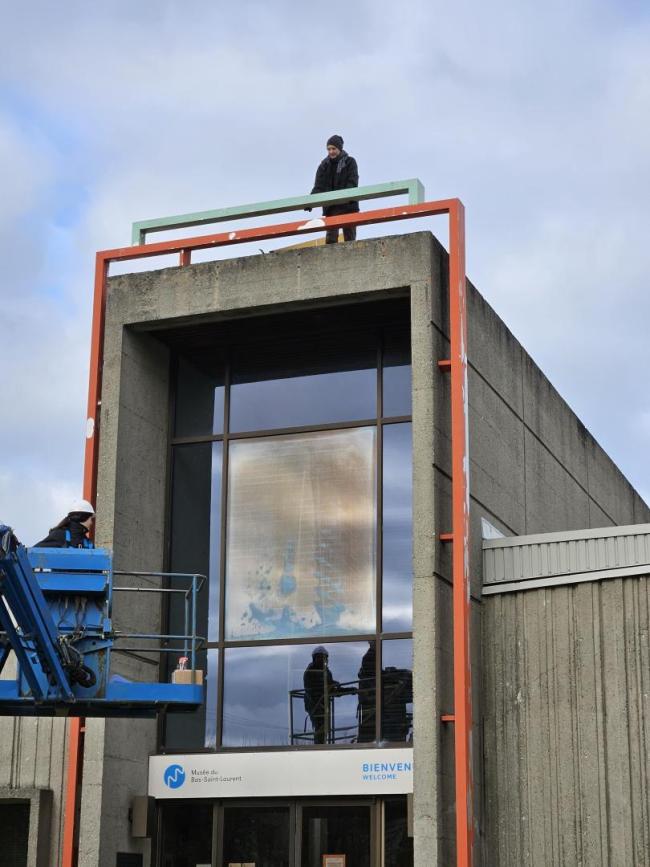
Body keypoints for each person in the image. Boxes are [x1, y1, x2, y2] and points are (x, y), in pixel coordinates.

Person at [310, 135, 359, 245]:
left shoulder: (350, 162)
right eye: (329, 149)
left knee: (350, 239)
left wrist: (345, 196)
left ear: (340, 149)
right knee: (331, 240)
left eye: (334, 149)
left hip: (348, 206)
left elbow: (353, 182)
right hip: (331, 208)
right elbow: (318, 186)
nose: (331, 152)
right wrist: (310, 202)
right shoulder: (323, 166)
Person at [303, 646, 340, 744]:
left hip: (324, 705)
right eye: (320, 657)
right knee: (320, 728)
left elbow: (330, 688)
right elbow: (314, 688)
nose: (323, 660)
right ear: (315, 658)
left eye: (324, 657)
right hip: (315, 704)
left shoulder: (327, 672)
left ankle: (321, 745)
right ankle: (318, 747)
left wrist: (345, 689)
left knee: (325, 728)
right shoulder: (310, 672)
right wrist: (331, 685)